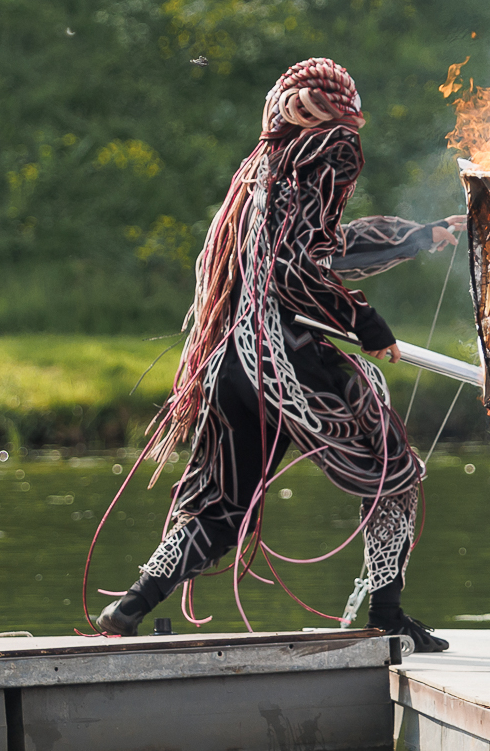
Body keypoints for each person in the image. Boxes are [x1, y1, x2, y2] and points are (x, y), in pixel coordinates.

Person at [96, 57, 463, 652]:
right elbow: (296, 267)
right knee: (394, 476)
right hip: (284, 362)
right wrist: (364, 322)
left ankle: (130, 606)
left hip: (232, 362)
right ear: (336, 114)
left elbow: (319, 247)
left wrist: (416, 236)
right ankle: (387, 614)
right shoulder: (332, 149)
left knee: (222, 510)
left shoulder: (264, 168)